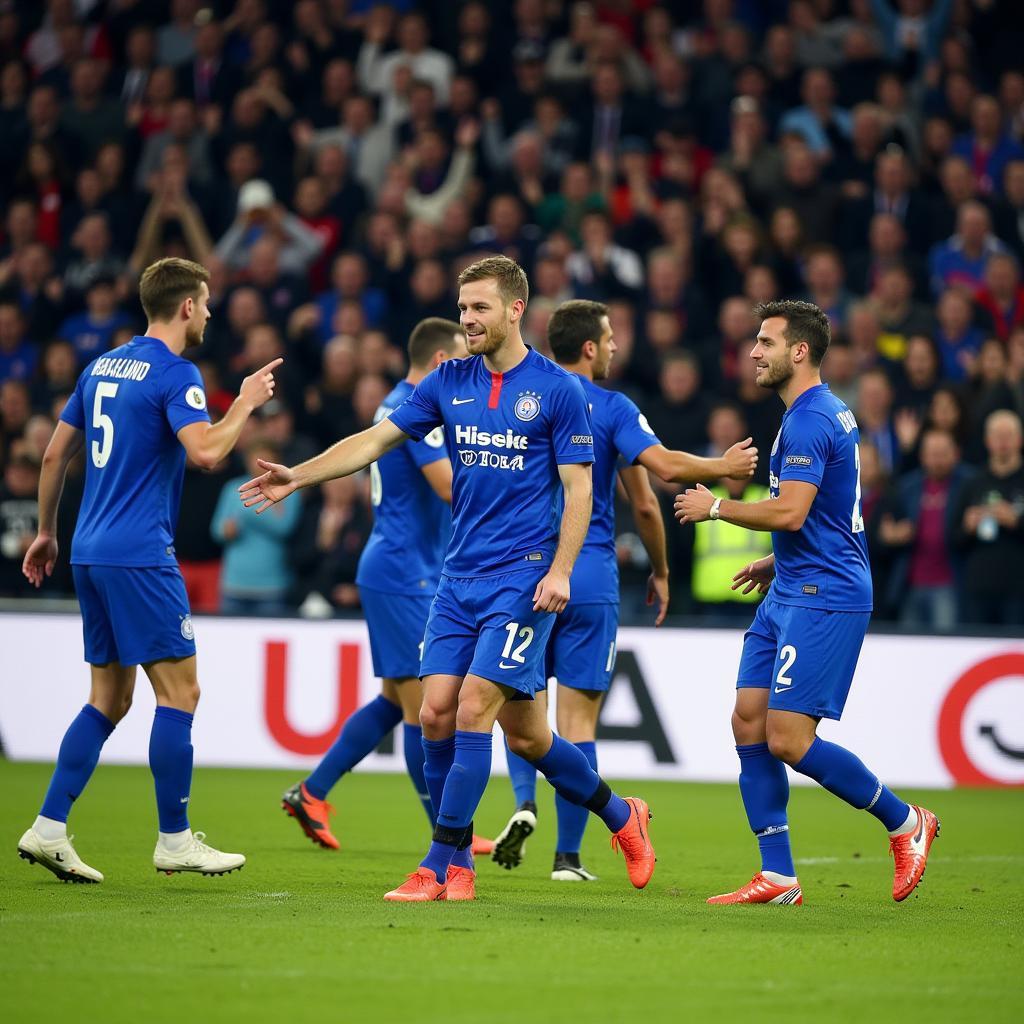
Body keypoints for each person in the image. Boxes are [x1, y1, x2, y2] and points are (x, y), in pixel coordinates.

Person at [239, 256, 655, 902]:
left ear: (517, 310)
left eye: (480, 308)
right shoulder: (446, 381)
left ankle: (443, 865)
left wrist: (562, 572)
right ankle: (622, 815)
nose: (468, 319)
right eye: (463, 309)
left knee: (469, 710)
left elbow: (579, 492)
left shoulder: (557, 391)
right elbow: (374, 440)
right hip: (457, 577)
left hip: (523, 580)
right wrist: (300, 473)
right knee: (472, 722)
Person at [17, 257, 282, 883]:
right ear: (186, 306)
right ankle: (175, 839)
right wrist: (242, 403)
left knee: (108, 699)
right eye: (208, 302)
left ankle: (49, 828)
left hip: (88, 550)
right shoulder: (175, 372)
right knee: (181, 692)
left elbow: (55, 453)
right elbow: (209, 453)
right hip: (140, 555)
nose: (211, 313)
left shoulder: (101, 365)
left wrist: (48, 531)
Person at [676, 300, 939, 906]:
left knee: (788, 738)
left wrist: (716, 506)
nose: (753, 353)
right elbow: (828, 510)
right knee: (748, 717)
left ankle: (906, 822)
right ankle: (778, 875)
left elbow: (792, 510)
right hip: (794, 585)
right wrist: (778, 560)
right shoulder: (818, 414)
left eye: (765, 342)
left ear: (799, 351)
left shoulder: (808, 421)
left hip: (826, 595)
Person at [495, 299, 758, 881]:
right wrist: (719, 471)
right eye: (610, 339)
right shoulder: (611, 407)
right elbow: (650, 491)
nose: (616, 347)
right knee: (578, 725)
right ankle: (568, 858)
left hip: (523, 570)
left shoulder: (522, 393)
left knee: (519, 710)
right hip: (586, 573)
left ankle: (522, 803)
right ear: (589, 347)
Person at [280, 317, 475, 850]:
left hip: (400, 566)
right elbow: (448, 488)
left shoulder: (393, 401)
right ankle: (447, 829)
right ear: (441, 361)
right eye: (463, 356)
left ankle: (312, 791)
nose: (471, 367)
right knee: (425, 708)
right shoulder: (421, 409)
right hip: (405, 572)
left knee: (394, 699)